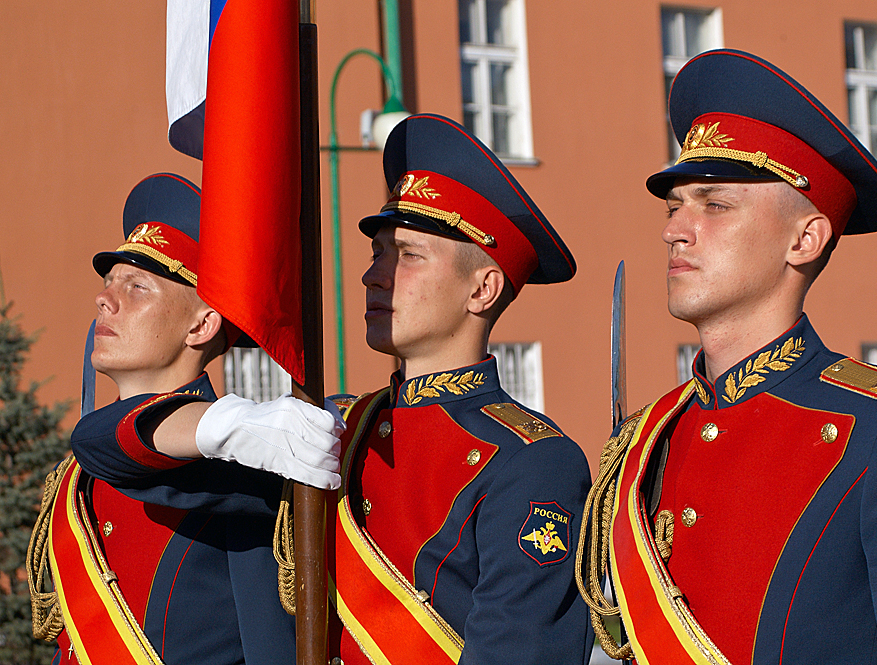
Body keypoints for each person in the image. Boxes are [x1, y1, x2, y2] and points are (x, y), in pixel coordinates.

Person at [576, 50, 877, 664]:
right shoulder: (650, 439)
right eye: (675, 207)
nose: (674, 230)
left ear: (805, 239)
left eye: (714, 205)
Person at [29, 173, 343, 665]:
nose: (104, 300)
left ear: (201, 324)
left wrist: (228, 429)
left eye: (137, 287)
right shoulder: (79, 472)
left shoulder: (242, 464)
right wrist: (226, 425)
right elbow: (101, 439)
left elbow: (269, 643)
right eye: (108, 283)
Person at [322, 113, 594, 664]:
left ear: (483, 288)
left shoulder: (531, 462)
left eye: (409, 256)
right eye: (378, 253)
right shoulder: (339, 431)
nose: (375, 275)